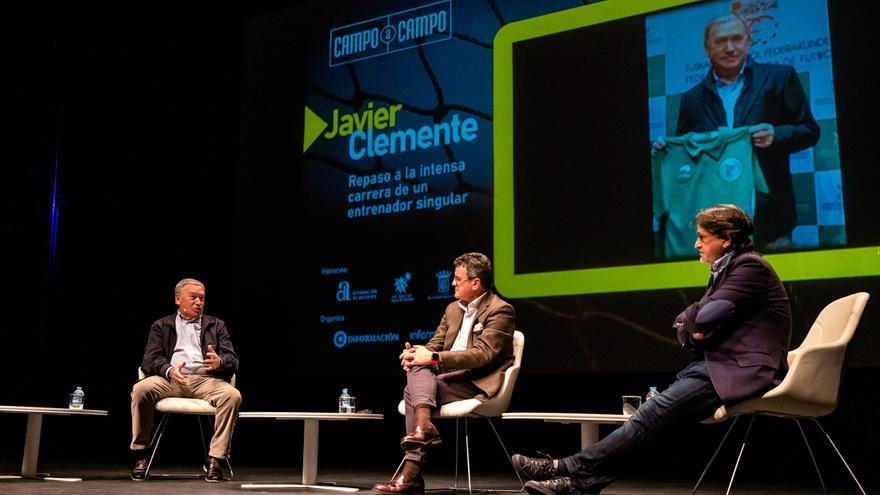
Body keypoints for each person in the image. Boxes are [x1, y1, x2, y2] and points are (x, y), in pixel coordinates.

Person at [511, 204, 791, 495]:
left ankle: (563, 468)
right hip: (716, 366)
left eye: (702, 237)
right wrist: (692, 325)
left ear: (727, 239)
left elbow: (703, 318)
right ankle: (580, 484)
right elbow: (689, 326)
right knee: (653, 422)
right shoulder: (727, 270)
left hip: (741, 370)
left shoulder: (750, 267)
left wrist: (692, 322)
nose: (696, 244)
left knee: (651, 416)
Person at [659, 12, 819, 250]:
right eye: (721, 41)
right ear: (707, 49)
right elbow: (686, 154)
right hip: (716, 224)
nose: (730, 47)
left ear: (748, 41)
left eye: (736, 39)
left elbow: (810, 131)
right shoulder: (691, 99)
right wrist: (665, 152)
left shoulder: (780, 77)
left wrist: (776, 135)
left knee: (775, 285)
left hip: (770, 217)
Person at [373, 253, 516, 494]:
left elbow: (482, 355)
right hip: (447, 375)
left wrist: (432, 358)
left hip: (476, 380)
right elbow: (435, 344)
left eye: (457, 279)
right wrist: (418, 354)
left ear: (475, 283)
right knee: (419, 364)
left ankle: (412, 472)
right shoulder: (452, 309)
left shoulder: (501, 310)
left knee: (411, 389)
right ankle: (424, 429)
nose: (452, 283)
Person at [130, 278, 241, 482]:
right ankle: (141, 454)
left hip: (205, 380)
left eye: (202, 298)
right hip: (171, 379)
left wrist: (219, 362)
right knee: (141, 389)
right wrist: (169, 370)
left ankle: (215, 459)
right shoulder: (161, 325)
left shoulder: (217, 325)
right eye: (194, 297)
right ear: (178, 299)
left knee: (232, 396)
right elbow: (149, 360)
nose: (199, 302)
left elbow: (232, 360)